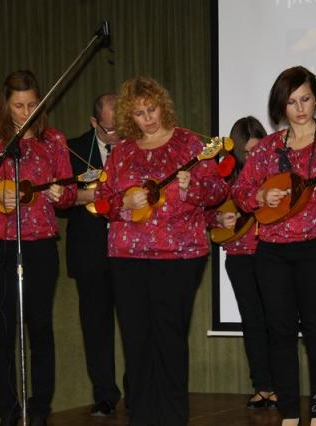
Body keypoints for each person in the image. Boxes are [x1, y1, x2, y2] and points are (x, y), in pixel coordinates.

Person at [99, 76, 228, 426]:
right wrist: (124, 203)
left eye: (152, 109)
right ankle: (141, 417)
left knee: (170, 339)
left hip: (179, 256)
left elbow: (218, 190)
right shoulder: (122, 151)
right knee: (136, 340)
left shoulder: (189, 143)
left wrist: (192, 186)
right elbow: (103, 201)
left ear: (163, 106)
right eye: (139, 113)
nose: (148, 118)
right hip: (127, 258)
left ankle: (173, 418)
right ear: (129, 117)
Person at [232, 66, 316, 426]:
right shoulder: (267, 148)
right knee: (281, 332)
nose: (300, 108)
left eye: (305, 99)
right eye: (291, 102)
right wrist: (261, 196)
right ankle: (289, 412)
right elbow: (241, 193)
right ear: (281, 106)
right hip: (272, 251)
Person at [0, 70, 76, 426]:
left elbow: (69, 193)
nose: (26, 112)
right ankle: (8, 409)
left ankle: (39, 406)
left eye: (31, 105)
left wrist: (61, 193)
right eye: (18, 106)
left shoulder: (53, 140)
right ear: (6, 105)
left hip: (40, 243)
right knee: (2, 328)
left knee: (40, 325)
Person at [207, 116, 278, 409]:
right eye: (246, 152)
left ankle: (280, 386)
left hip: (271, 252)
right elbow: (205, 209)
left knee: (276, 320)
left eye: (257, 150)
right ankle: (262, 386)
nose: (252, 157)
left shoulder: (274, 171)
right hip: (239, 256)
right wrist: (218, 218)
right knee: (252, 321)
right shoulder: (224, 174)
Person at [65, 93, 122, 416]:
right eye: (110, 129)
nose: (116, 135)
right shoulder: (72, 149)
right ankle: (104, 394)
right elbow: (61, 196)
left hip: (130, 250)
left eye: (120, 127)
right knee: (96, 327)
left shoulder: (135, 147)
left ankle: (138, 390)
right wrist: (90, 195)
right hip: (90, 252)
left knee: (136, 325)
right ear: (94, 122)